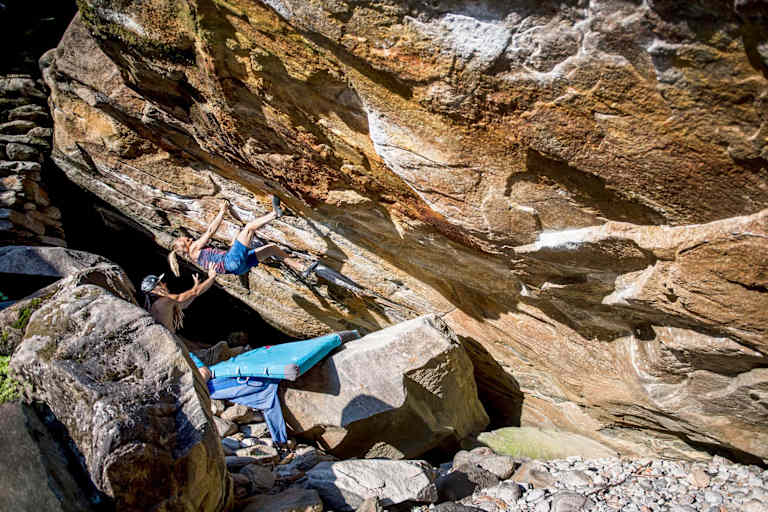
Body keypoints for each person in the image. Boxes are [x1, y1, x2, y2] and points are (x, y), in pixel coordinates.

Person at [168, 196, 301, 277]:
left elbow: (221, 256)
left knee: (271, 249)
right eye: (182, 239)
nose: (184, 237)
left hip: (237, 268)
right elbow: (210, 231)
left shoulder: (195, 258)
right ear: (184, 246)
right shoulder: (194, 249)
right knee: (249, 228)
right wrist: (222, 211)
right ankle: (274, 213)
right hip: (231, 262)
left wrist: (234, 241)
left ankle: (301, 268)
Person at [140, 263, 217, 333]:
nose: (164, 284)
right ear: (156, 288)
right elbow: (195, 292)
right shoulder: (165, 301)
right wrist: (211, 277)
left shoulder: (152, 306)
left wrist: (195, 288)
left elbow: (185, 302)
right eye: (161, 283)